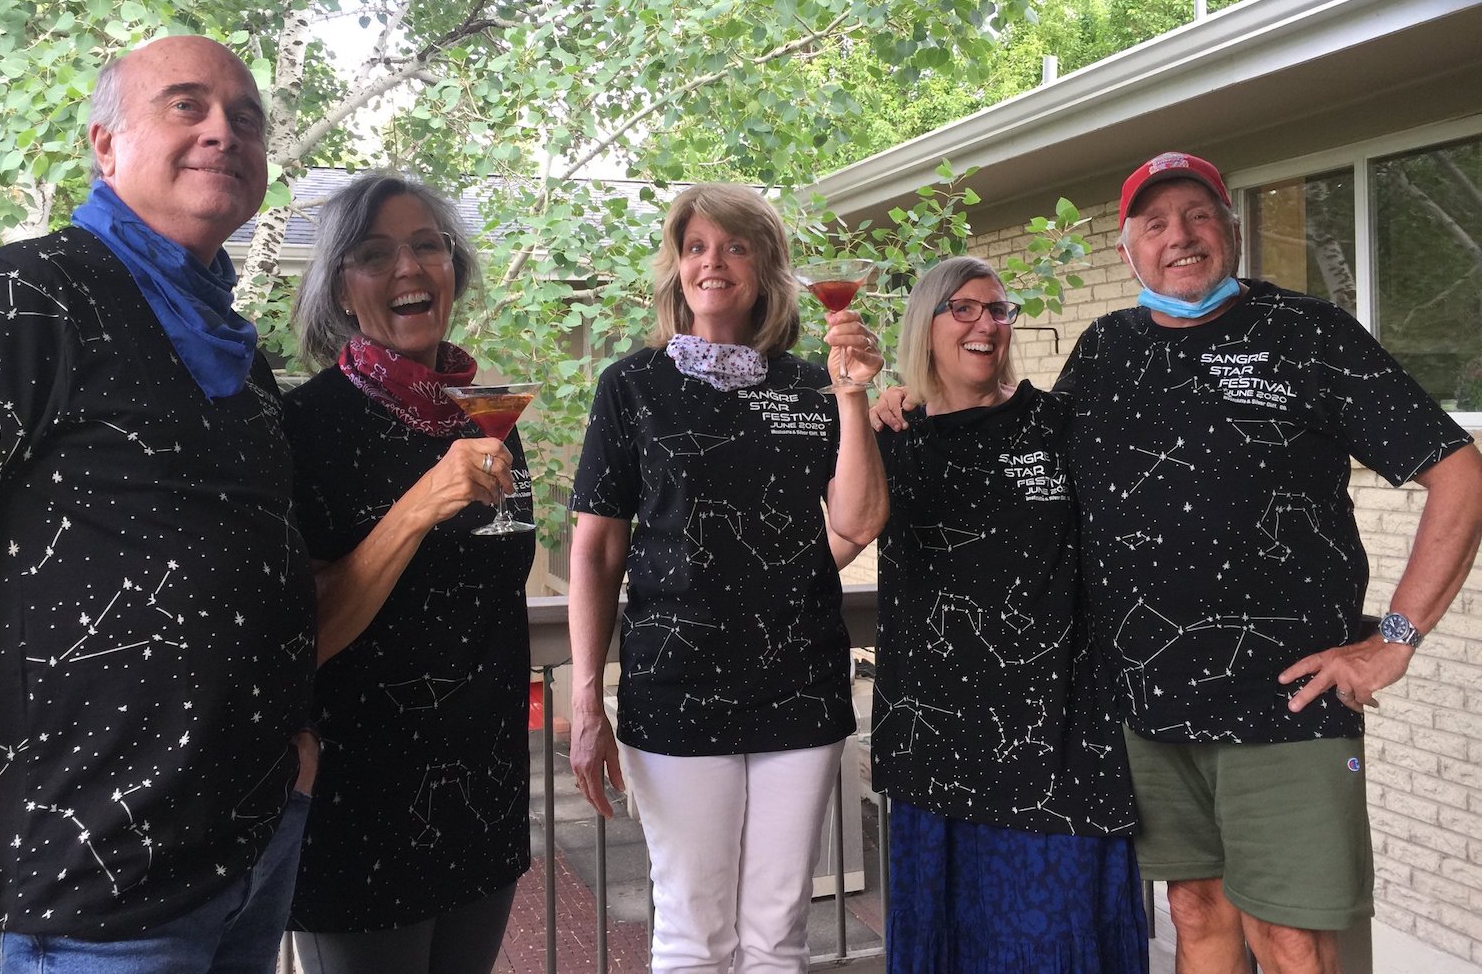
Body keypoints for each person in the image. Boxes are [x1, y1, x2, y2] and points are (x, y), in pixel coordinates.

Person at [879, 151, 1482, 974]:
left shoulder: (1308, 334)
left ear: (1230, 229)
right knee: (1196, 914)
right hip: (1144, 707)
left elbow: (1459, 473)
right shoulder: (1105, 351)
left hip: (1286, 699)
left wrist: (1397, 638)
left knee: (1293, 938)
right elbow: (1014, 449)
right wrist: (909, 398)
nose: (1180, 237)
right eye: (1155, 223)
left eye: (1199, 215)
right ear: (1129, 249)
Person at [0, 35, 318, 974]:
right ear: (104, 145)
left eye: (246, 118)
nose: (223, 132)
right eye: (185, 105)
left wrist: (292, 749)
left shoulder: (238, 355)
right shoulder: (22, 299)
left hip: (249, 846)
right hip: (89, 888)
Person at [567, 183, 889, 973]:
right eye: (698, 246)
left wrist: (853, 394)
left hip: (799, 682)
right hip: (675, 684)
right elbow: (596, 548)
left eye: (736, 246)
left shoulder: (812, 384)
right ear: (677, 266)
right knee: (693, 928)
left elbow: (855, 521)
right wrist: (584, 694)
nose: (715, 262)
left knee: (777, 930)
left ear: (765, 268)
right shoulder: (631, 385)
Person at [836, 256, 1146, 974]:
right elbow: (841, 532)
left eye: (998, 310)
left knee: (1062, 943)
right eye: (964, 309)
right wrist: (861, 399)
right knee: (949, 944)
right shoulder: (892, 435)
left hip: (1059, 742)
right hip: (933, 740)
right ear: (928, 324)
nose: (986, 325)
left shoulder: (1059, 424)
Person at [281, 174, 527, 974]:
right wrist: (422, 503)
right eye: (375, 254)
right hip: (361, 808)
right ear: (342, 291)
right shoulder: (303, 426)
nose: (410, 269)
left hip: (483, 790)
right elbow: (302, 635)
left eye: (429, 245)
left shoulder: (487, 417)